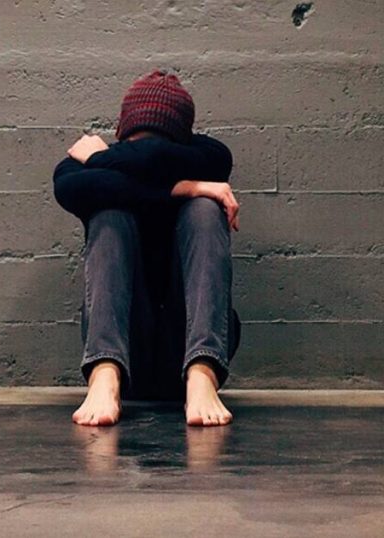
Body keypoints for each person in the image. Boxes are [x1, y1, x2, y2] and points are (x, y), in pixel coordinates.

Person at [52, 69, 242, 427]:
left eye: (159, 140)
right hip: (127, 352)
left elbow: (155, 157)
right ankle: (103, 374)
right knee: (109, 212)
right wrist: (183, 187)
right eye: (135, 140)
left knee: (205, 208)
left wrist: (102, 158)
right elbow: (69, 188)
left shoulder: (208, 155)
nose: (145, 148)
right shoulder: (79, 170)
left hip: (186, 345)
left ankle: (203, 373)